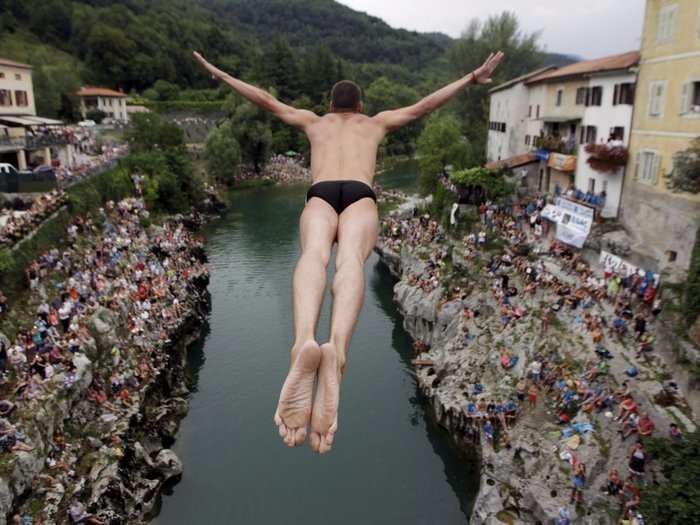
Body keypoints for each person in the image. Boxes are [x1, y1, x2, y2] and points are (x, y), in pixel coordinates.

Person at [194, 49, 505, 453]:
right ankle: (336, 352)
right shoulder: (375, 124)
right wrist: (470, 78)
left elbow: (264, 100)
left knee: (314, 256)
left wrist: (221, 71)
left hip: (321, 193)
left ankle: (303, 340)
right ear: (360, 106)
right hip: (360, 194)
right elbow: (426, 104)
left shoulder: (313, 122)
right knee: (351, 260)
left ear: (329, 105)